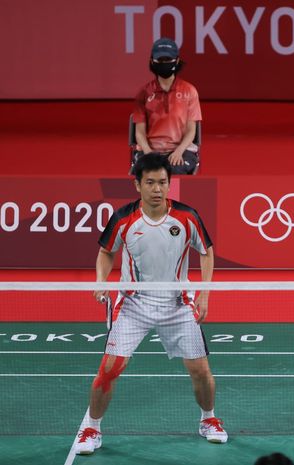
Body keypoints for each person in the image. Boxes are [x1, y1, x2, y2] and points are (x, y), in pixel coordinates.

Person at [74, 155, 227, 455]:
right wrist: (101, 280)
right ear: (138, 185)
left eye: (163, 182)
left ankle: (208, 420)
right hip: (134, 303)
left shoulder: (186, 216)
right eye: (150, 183)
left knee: (200, 370)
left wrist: (204, 294)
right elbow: (106, 251)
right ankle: (92, 427)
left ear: (170, 183)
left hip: (177, 303)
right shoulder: (123, 218)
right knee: (109, 369)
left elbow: (206, 252)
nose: (157, 189)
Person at [133, 38, 202, 175]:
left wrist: (179, 151)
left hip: (181, 150)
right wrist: (149, 154)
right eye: (160, 60)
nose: (163, 64)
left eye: (167, 59)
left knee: (173, 170)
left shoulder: (189, 91)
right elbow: (139, 133)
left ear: (177, 61)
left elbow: (191, 131)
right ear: (152, 61)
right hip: (150, 150)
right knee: (147, 173)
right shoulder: (144, 93)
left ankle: (174, 197)